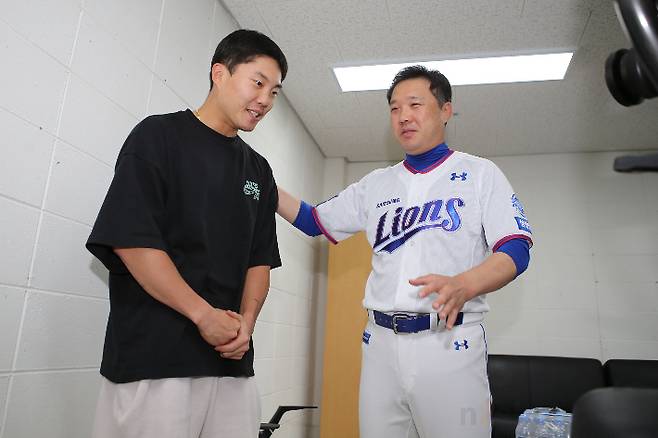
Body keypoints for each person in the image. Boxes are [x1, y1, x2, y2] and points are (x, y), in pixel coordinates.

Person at [277, 65, 533, 438]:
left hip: (449, 341)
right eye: (395, 108)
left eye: (415, 104)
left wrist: (466, 283)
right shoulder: (377, 184)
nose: (404, 116)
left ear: (445, 110)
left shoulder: (479, 173)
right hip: (380, 344)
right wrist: (262, 183)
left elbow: (516, 248)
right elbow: (315, 220)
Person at [86, 29, 287, 438]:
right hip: (156, 361)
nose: (265, 99)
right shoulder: (157, 137)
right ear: (220, 73)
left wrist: (244, 326)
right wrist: (202, 315)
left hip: (231, 365)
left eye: (275, 91)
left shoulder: (259, 171)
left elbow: (259, 260)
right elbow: (131, 239)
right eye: (258, 82)